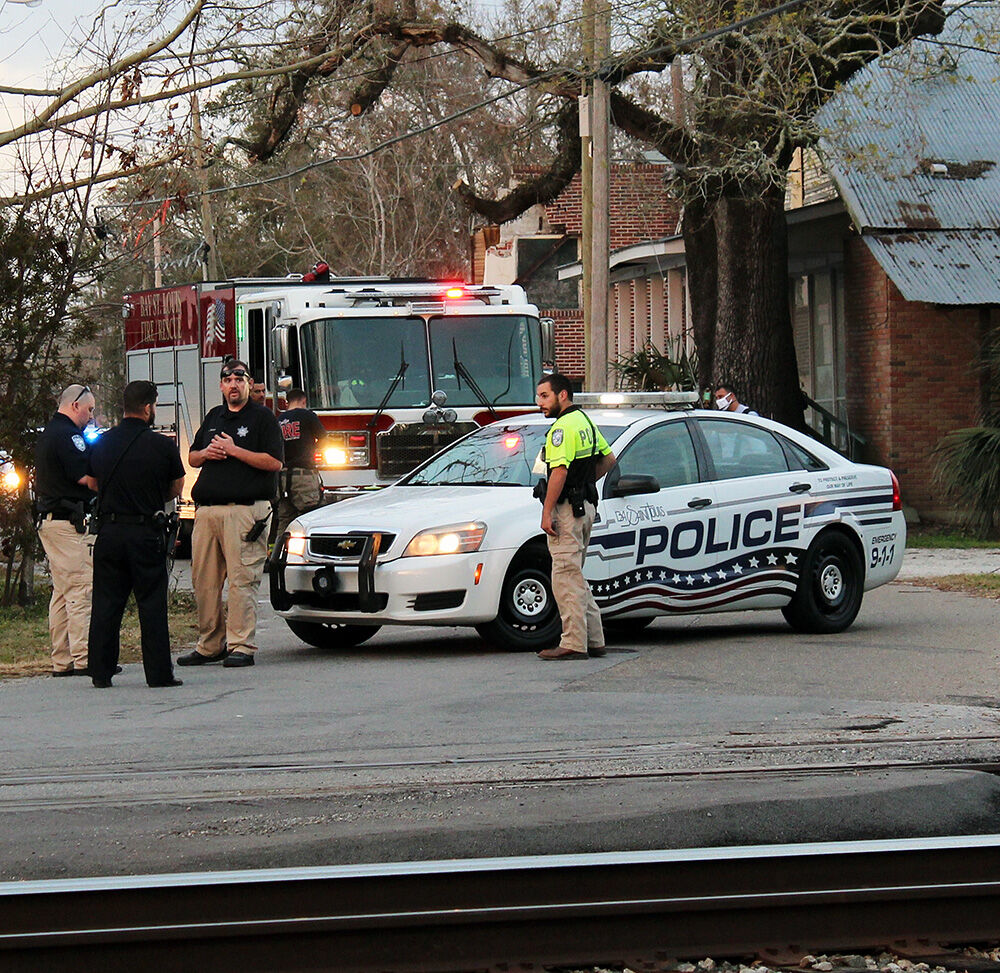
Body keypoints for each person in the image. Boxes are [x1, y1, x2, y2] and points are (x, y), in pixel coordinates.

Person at [178, 359, 283, 669]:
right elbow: (193, 457)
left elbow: (275, 462)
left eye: (240, 378)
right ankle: (210, 645)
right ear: (221, 385)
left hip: (245, 512)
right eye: (227, 379)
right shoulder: (214, 417)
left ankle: (241, 645)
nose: (233, 384)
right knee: (205, 582)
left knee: (241, 581)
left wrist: (236, 450)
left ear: (248, 384)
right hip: (207, 513)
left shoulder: (262, 419)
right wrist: (206, 453)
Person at [86, 381, 185, 689]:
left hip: (110, 532)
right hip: (145, 532)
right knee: (151, 605)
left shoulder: (102, 443)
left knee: (106, 603)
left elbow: (91, 482)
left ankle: (100, 672)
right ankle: (158, 674)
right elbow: (177, 487)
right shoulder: (162, 445)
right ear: (147, 408)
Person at [534, 373, 617, 661]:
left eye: (545, 396)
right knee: (575, 576)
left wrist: (547, 511)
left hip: (568, 512)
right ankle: (594, 639)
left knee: (565, 578)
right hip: (585, 508)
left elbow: (559, 472)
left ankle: (573, 643)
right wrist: (585, 485)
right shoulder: (585, 422)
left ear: (563, 395)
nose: (539, 402)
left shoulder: (561, 429)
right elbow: (609, 459)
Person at [34, 384, 98, 676]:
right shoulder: (69, 436)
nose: (91, 416)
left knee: (61, 593)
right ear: (74, 406)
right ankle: (85, 657)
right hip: (67, 524)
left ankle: (62, 660)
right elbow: (86, 478)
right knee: (81, 589)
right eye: (89, 410)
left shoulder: (50, 433)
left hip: (51, 521)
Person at [269, 388, 326, 567]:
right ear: (304, 401)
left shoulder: (278, 420)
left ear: (287, 402)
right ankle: (313, 557)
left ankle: (277, 559)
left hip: (283, 477)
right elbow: (323, 438)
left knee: (284, 518)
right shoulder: (308, 416)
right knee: (311, 515)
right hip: (304, 474)